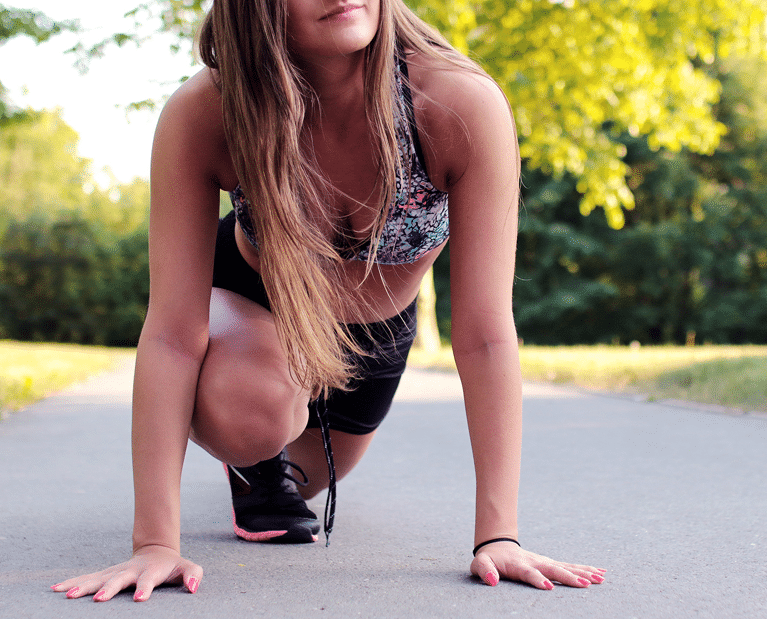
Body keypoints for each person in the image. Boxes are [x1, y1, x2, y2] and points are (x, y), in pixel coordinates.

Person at [51, 0, 605, 602]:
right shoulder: (209, 110)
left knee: (307, 482)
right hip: (254, 300)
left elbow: (486, 334)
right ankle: (254, 446)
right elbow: (170, 335)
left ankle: (260, 468)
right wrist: (155, 543)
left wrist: (498, 537)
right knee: (256, 415)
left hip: (373, 334)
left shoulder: (457, 104)